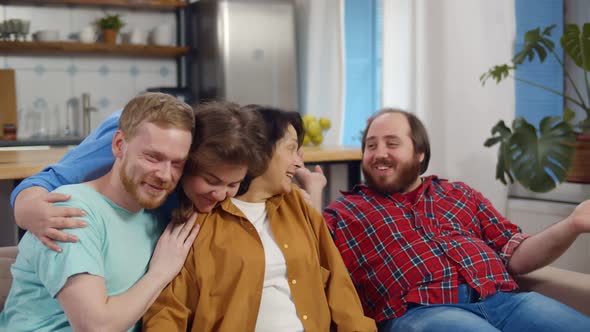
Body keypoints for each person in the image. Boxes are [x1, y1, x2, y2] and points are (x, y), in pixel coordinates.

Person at [322, 108, 590, 332]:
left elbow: (516, 254)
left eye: (392, 143)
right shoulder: (344, 213)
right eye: (371, 145)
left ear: (420, 153)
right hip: (423, 313)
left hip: (503, 302)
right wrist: (309, 193)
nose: (379, 153)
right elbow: (306, 257)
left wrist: (573, 224)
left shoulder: (459, 194)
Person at [142, 106, 377, 332]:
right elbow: (169, 311)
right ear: (261, 152)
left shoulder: (297, 206)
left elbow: (339, 287)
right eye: (292, 148)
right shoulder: (202, 217)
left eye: (231, 184)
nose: (299, 161)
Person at [0, 92, 199, 331]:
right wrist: (161, 272)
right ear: (118, 145)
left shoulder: (156, 215)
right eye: (152, 157)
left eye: (177, 163)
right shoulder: (71, 212)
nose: (165, 175)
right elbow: (96, 327)